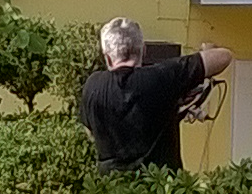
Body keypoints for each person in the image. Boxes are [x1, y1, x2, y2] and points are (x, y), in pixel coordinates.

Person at [77, 17, 232, 172]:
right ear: (143, 50)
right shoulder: (162, 77)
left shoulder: (92, 85)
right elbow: (224, 57)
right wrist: (204, 52)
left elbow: (91, 132)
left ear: (108, 57)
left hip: (112, 186)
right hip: (161, 184)